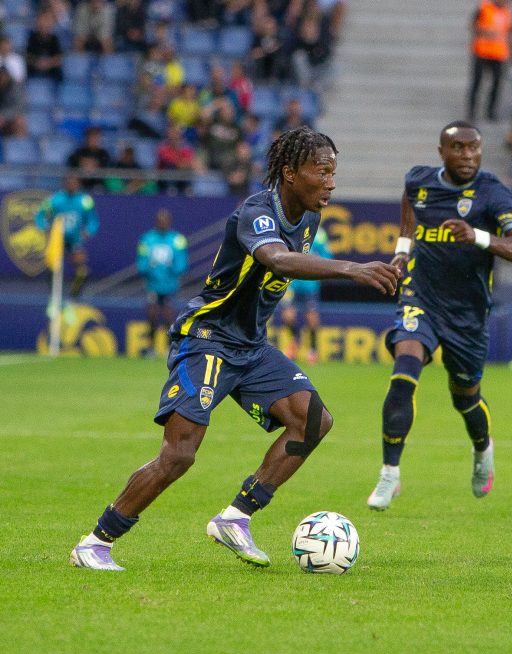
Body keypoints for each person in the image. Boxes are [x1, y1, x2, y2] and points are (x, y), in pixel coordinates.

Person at [69, 127, 401, 571]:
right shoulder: (257, 211)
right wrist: (352, 269)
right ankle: (96, 542)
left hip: (250, 346)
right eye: (321, 173)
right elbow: (278, 260)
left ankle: (236, 517)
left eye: (333, 173)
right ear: (290, 173)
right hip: (207, 339)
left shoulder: (310, 218)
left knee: (313, 421)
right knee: (179, 455)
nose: (331, 183)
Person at [367, 121, 512, 511]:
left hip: (467, 313)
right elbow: (409, 214)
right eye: (458, 148)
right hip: (420, 296)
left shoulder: (494, 193)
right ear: (441, 152)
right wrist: (402, 252)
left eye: (474, 148)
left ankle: (482, 449)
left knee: (466, 399)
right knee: (404, 373)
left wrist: (476, 235)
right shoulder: (419, 181)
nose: (468, 155)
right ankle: (389, 475)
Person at [35, 173, 100, 301]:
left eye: (74, 182)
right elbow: (40, 215)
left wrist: (88, 231)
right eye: (69, 182)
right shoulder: (55, 200)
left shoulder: (84, 201)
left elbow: (93, 220)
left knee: (82, 270)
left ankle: (74, 296)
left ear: (78, 184)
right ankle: (54, 295)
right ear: (65, 184)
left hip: (75, 239)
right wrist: (44, 227)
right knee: (53, 267)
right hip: (58, 239)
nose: (71, 185)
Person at [136, 208, 188, 357]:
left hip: (169, 284)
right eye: (160, 221)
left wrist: (173, 269)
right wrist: (149, 269)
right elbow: (141, 262)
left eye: (165, 221)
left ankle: (168, 347)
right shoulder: (147, 239)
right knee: (152, 315)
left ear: (169, 222)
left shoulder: (177, 240)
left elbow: (182, 262)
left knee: (168, 315)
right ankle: (151, 347)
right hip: (152, 284)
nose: (162, 224)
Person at [278, 228, 332, 363]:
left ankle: (313, 350)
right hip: (292, 283)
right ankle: (295, 341)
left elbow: (327, 256)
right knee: (288, 316)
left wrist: (314, 261)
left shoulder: (319, 234)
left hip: (310, 284)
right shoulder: (292, 228)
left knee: (312, 317)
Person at [467, 0, 512, 121]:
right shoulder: (484, 8)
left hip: (498, 53)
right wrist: (485, 31)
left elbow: (507, 31)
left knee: (496, 83)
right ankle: (472, 110)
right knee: (477, 82)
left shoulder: (506, 11)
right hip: (482, 50)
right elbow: (473, 25)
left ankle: (491, 110)